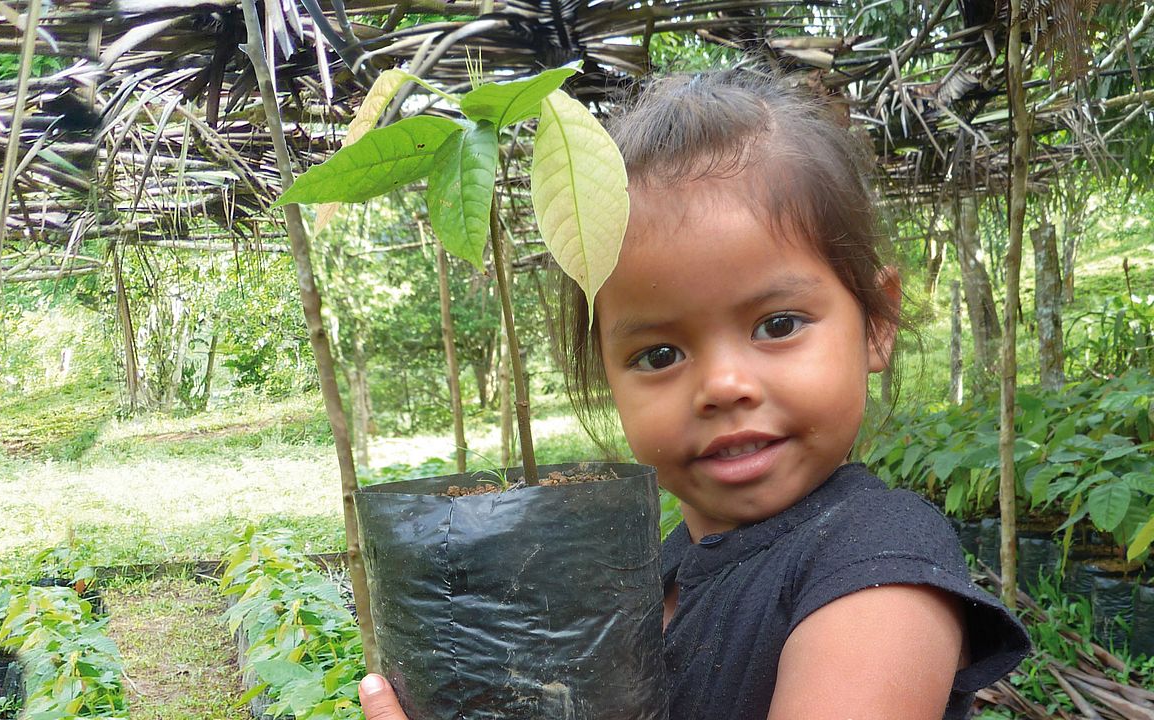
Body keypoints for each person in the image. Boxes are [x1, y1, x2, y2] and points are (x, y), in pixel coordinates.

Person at [360, 71, 1030, 720]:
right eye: (659, 355)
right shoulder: (659, 568)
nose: (722, 386)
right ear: (607, 376)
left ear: (876, 324)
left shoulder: (879, 572)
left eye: (777, 325)